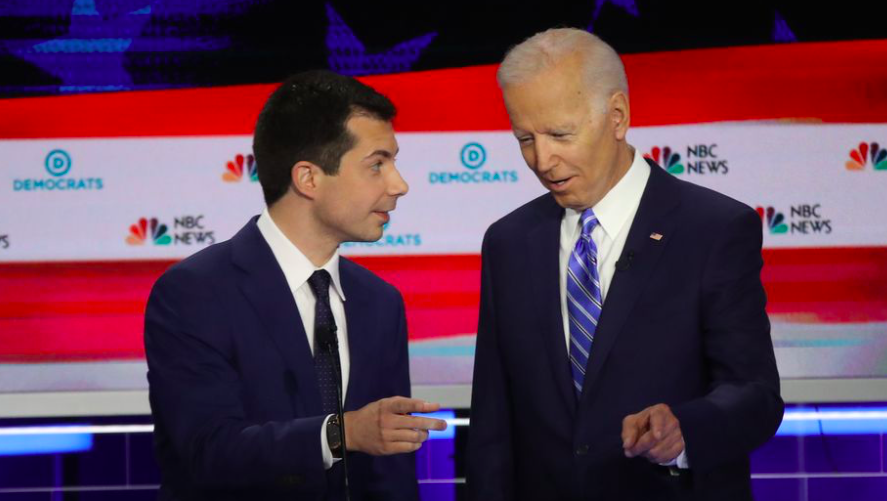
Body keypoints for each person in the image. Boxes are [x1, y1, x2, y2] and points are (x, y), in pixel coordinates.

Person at [467, 28, 783, 500]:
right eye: (524, 139)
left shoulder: (713, 228)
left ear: (617, 116)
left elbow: (755, 396)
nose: (542, 159)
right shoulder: (509, 242)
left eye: (560, 134)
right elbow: (493, 420)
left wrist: (684, 430)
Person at [145, 70, 446, 501]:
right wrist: (341, 434)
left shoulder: (380, 302)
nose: (399, 185)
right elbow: (206, 450)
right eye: (377, 164)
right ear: (308, 179)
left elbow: (390, 465)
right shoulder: (194, 293)